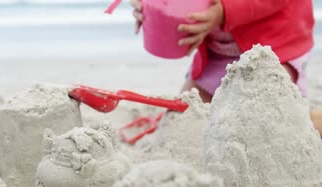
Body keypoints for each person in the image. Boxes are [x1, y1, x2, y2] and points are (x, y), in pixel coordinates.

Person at [130, 0, 322, 135]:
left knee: (268, 127)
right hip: (217, 55)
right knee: (182, 120)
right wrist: (151, 8)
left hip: (273, 48)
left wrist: (225, 9)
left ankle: (311, 122)